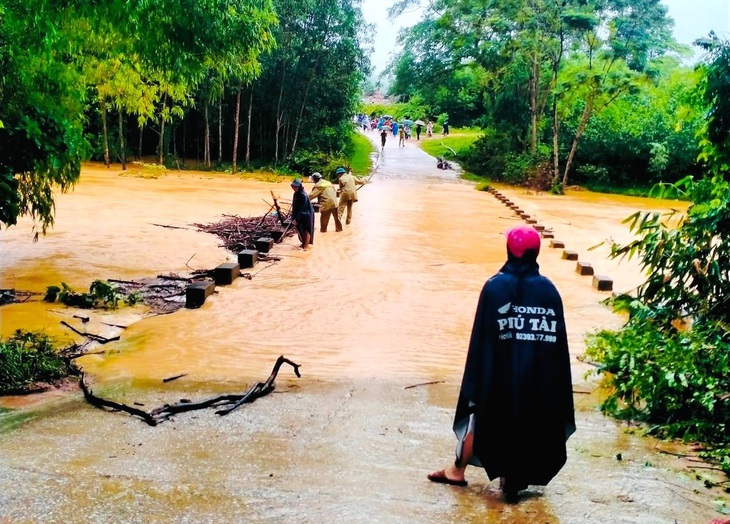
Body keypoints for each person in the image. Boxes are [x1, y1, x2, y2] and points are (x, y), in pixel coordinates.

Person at [427, 225, 575, 503]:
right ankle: (514, 474)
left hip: (499, 374)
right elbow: (557, 345)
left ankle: (457, 470)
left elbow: (483, 338)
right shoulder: (550, 291)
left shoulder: (494, 287)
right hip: (538, 377)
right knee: (531, 416)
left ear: (509, 250)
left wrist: (478, 378)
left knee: (478, 412)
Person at [290, 178, 314, 250]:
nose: (294, 188)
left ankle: (306, 247)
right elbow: (294, 206)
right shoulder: (296, 194)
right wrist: (293, 217)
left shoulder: (303, 195)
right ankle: (303, 243)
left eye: (296, 187)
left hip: (307, 214)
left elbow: (304, 208)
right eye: (293, 186)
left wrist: (298, 219)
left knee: (306, 230)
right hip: (300, 213)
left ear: (299, 186)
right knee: (300, 229)